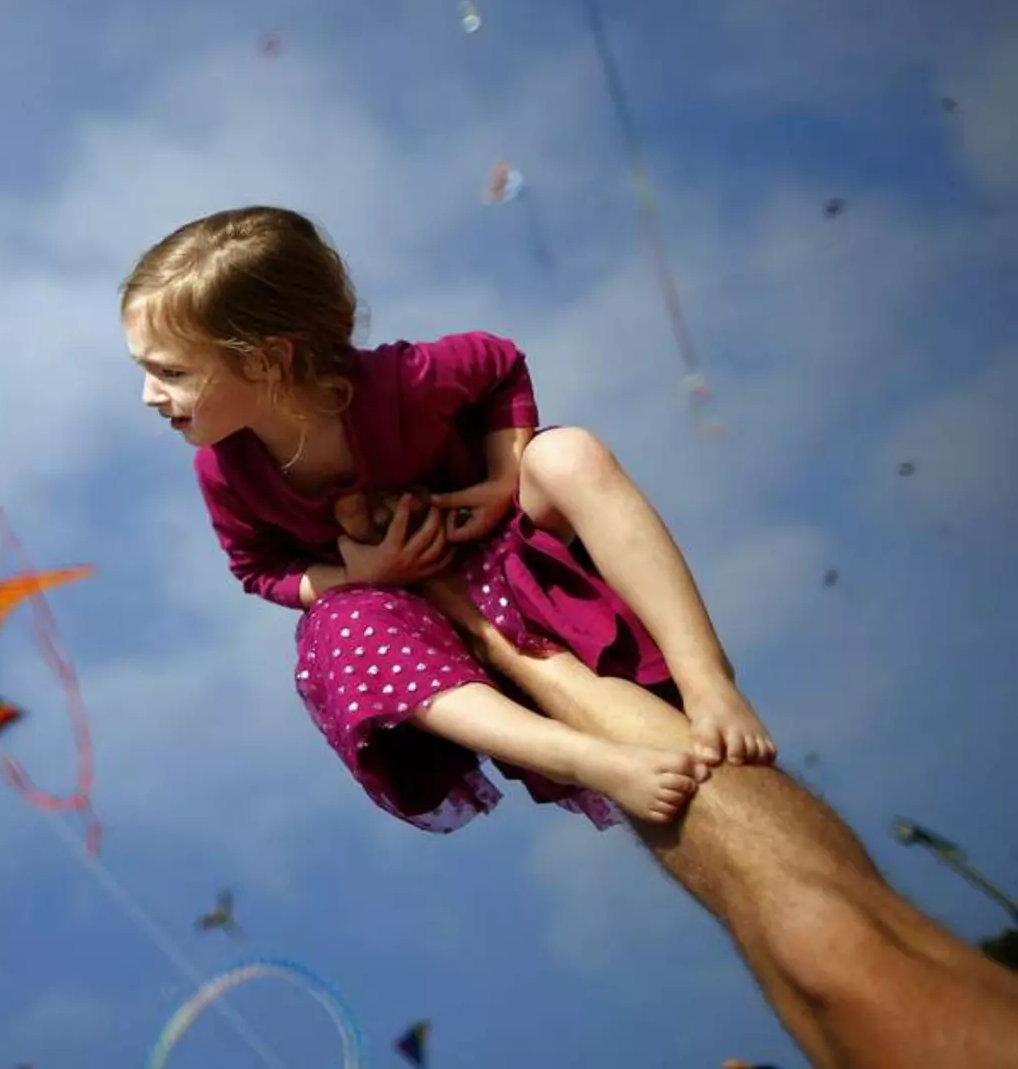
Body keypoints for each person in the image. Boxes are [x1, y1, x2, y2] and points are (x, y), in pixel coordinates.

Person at [120, 205, 1018, 1066]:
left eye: (168, 368)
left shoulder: (402, 380)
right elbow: (260, 570)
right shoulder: (226, 472)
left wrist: (503, 476)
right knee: (333, 630)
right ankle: (585, 754)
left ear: (269, 358)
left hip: (500, 544)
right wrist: (359, 578)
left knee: (569, 451)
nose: (149, 393)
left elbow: (500, 365)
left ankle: (710, 682)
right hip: (405, 610)